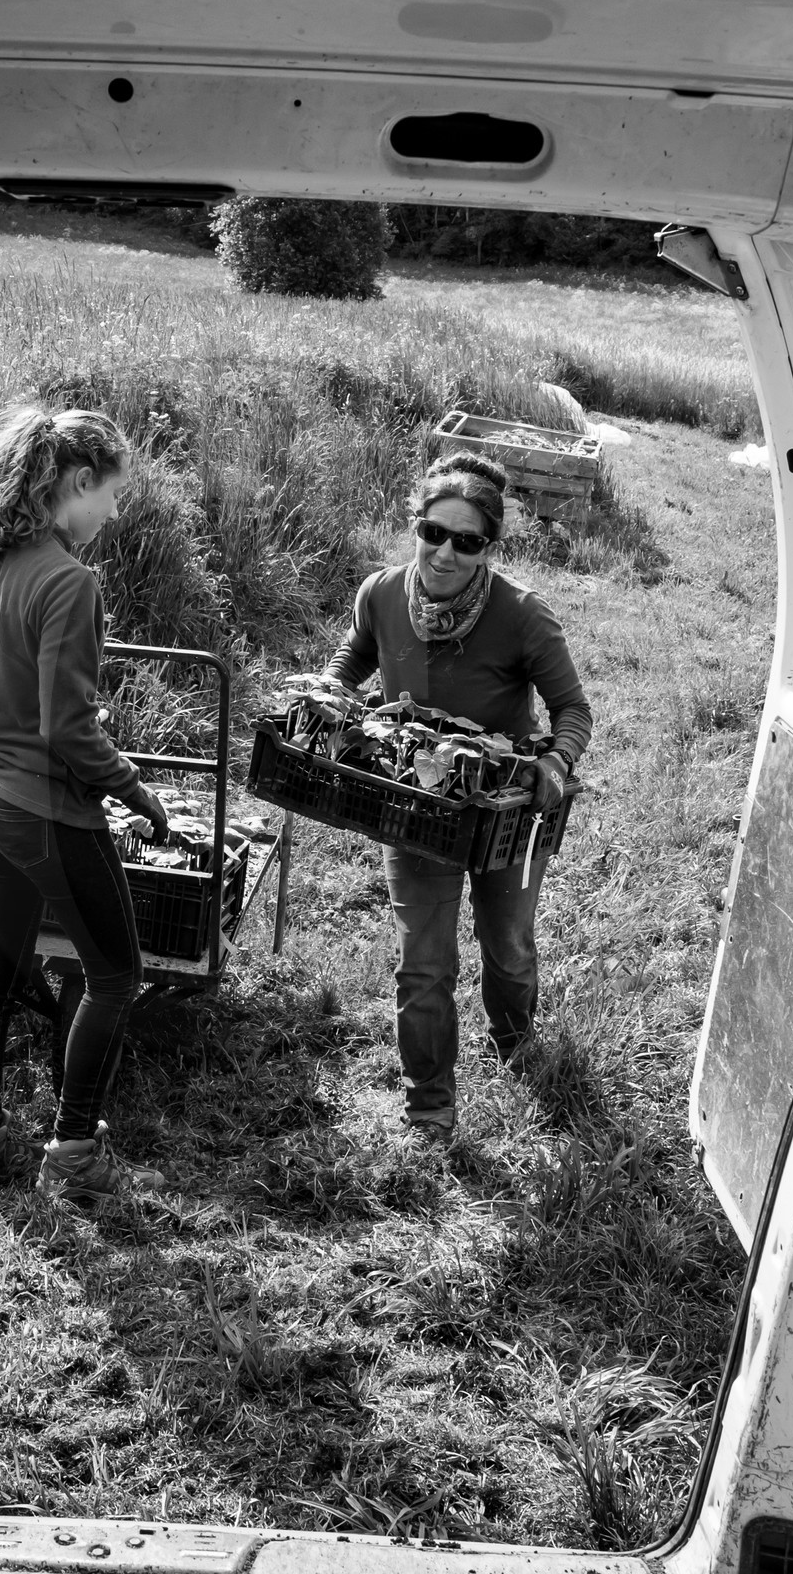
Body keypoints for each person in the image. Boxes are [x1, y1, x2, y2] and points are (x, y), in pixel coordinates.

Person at [0, 406, 170, 1201]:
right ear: (77, 481)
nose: (113, 512)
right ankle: (72, 1151)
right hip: (45, 810)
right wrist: (135, 790)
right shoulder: (70, 580)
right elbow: (68, 732)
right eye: (111, 495)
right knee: (115, 975)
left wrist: (8, 679)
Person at [325, 451, 593, 1142]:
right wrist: (332, 690)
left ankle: (515, 1048)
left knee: (507, 946)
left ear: (488, 549)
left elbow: (571, 710)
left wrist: (557, 761)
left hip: (505, 810)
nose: (444, 553)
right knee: (424, 964)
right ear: (415, 527)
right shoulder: (382, 593)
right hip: (415, 806)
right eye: (432, 533)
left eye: (466, 541)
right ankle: (430, 1110)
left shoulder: (523, 617)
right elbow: (358, 653)